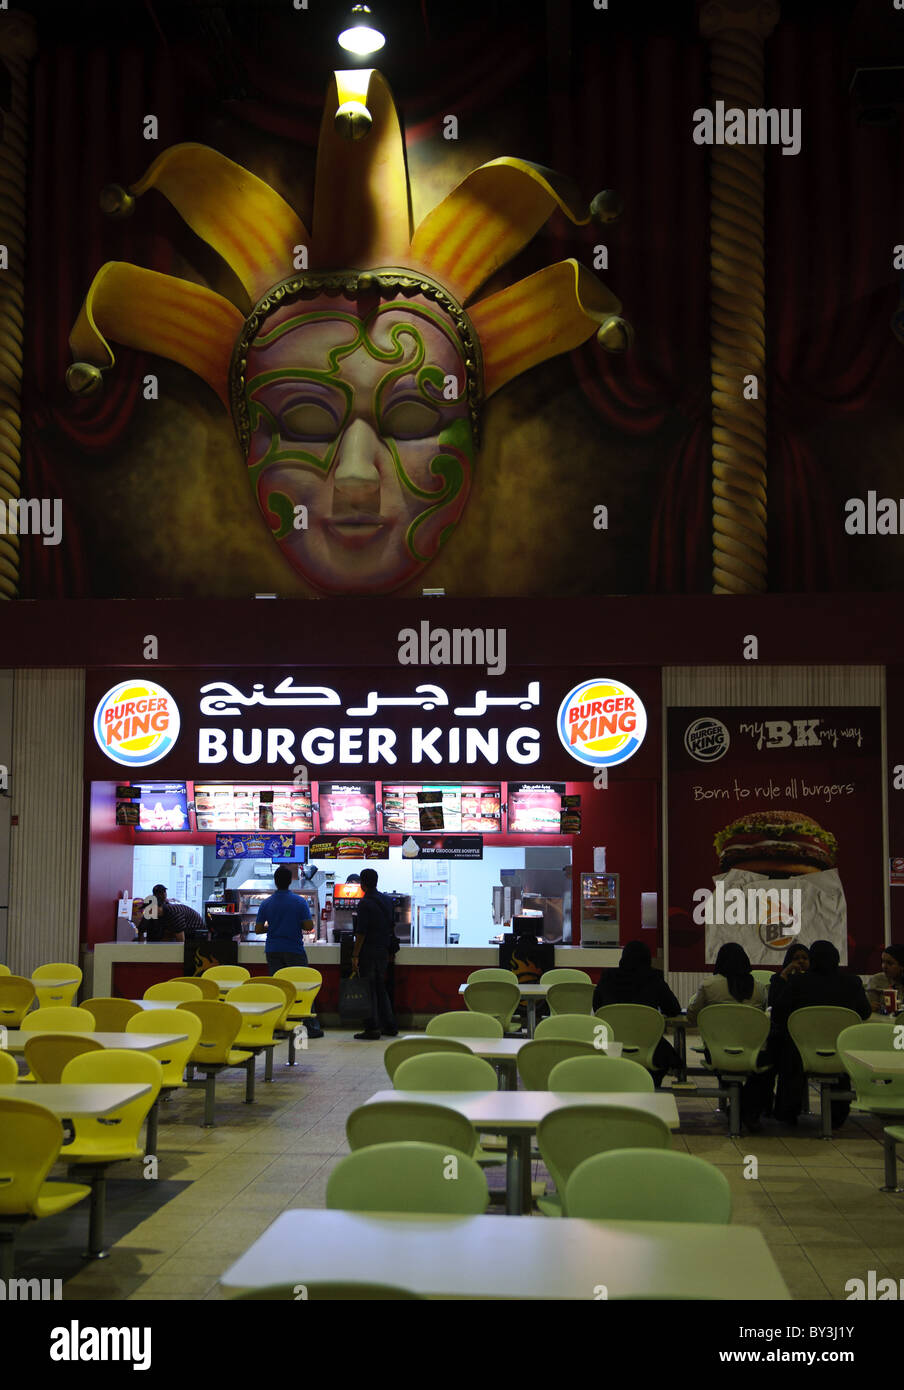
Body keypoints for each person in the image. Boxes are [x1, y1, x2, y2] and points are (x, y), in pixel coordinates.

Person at [770, 938, 871, 1127]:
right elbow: (864, 1013)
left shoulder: (799, 982)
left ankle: (787, 1110)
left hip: (801, 1053)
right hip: (841, 1052)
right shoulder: (852, 983)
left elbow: (778, 1013)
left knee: (786, 1048)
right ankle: (838, 1113)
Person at [686, 943, 770, 1131]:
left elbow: (692, 1016)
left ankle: (737, 1104)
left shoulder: (709, 986)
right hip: (753, 1053)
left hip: (717, 1052)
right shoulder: (759, 988)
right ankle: (747, 1109)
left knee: (724, 1064)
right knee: (766, 1066)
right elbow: (762, 1018)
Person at [592, 940, 682, 1087]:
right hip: (648, 1046)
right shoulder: (654, 979)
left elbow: (597, 1007)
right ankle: (648, 1086)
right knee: (667, 1057)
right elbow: (674, 1009)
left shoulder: (607, 977)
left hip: (611, 1045)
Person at [350, 867, 398, 1040]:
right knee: (380, 988)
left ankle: (372, 1028)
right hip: (383, 950)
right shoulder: (386, 900)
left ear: (362, 884)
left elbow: (361, 932)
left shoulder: (364, 903)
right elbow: (392, 925)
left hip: (369, 951)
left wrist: (355, 955)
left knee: (369, 990)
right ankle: (390, 1025)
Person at [257, 866, 311, 972]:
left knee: (278, 983)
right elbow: (309, 926)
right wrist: (294, 924)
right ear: (290, 881)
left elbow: (258, 929)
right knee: (298, 983)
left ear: (275, 881)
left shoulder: (265, 903)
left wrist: (273, 927)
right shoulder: (300, 901)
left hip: (273, 950)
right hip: (294, 949)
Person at [767, 942, 810, 1010]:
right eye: (796, 958)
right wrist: (785, 974)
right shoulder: (778, 978)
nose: (801, 961)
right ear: (789, 960)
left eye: (805, 958)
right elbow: (772, 1003)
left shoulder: (814, 978)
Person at [866, 945, 904, 1013]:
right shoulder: (876, 980)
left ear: (901, 966)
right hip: (882, 1021)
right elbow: (869, 1008)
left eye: (890, 963)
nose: (884, 966)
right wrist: (869, 1007)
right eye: (883, 962)